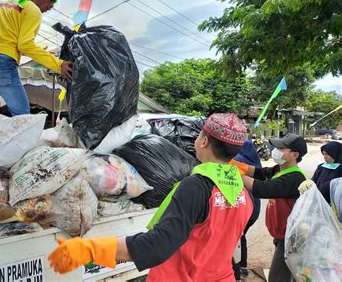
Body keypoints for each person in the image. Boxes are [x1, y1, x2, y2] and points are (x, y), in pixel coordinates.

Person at [49, 113, 254, 281]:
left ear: (204, 141)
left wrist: (90, 248)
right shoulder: (244, 194)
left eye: (199, 135)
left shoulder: (197, 187)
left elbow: (157, 246)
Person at [231, 133, 307, 282]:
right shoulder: (280, 169)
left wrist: (235, 174)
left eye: (281, 148)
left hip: (290, 239)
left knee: (277, 278)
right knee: (286, 275)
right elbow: (261, 173)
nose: (275, 150)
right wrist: (240, 166)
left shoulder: (294, 177)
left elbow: (264, 189)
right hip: (282, 235)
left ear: (294, 154)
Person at [232, 139, 262, 277]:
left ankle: (236, 269)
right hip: (253, 207)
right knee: (241, 235)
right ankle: (242, 266)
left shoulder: (237, 160)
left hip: (243, 206)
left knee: (234, 237)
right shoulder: (254, 161)